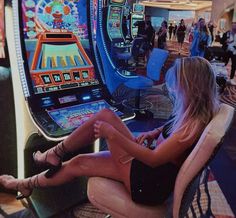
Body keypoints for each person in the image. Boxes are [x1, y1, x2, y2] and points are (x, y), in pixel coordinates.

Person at [0, 57, 219, 206]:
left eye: (177, 83)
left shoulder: (193, 127)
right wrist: (155, 132)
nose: (172, 88)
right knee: (79, 162)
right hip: (148, 168)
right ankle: (26, 184)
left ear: (191, 86)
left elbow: (153, 159)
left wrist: (112, 135)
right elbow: (170, 128)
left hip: (147, 182)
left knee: (105, 118)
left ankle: (56, 152)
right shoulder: (193, 113)